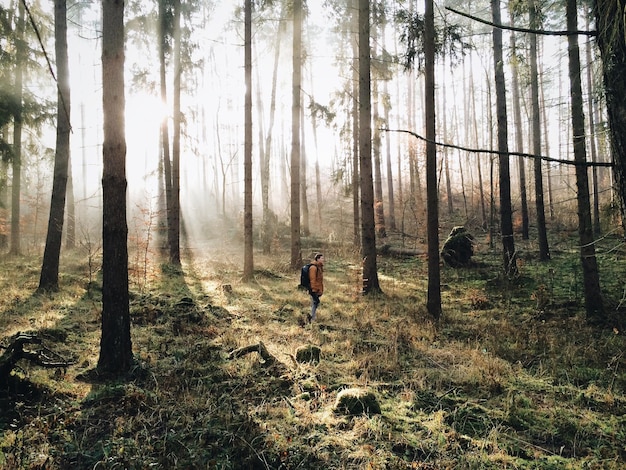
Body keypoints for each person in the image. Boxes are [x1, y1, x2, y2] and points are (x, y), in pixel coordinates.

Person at [308, 253, 324, 323]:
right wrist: (313, 290)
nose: (323, 260)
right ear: (318, 259)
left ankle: (312, 317)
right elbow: (312, 279)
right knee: (314, 303)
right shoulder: (313, 268)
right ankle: (312, 318)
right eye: (322, 258)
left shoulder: (319, 267)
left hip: (318, 289)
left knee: (315, 303)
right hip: (314, 289)